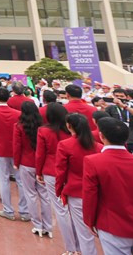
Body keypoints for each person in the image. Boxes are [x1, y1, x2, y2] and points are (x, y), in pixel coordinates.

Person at [83, 118, 133, 254]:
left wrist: (89, 221)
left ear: (101, 136)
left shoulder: (93, 162)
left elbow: (90, 195)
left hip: (112, 226)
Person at [56, 113, 103, 255]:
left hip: (77, 192)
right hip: (97, 192)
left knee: (84, 233)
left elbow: (60, 171)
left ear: (69, 126)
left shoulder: (65, 145)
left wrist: (59, 190)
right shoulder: (98, 146)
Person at [36, 102, 74, 252]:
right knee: (73, 210)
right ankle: (77, 246)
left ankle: (71, 248)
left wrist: (39, 172)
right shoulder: (71, 130)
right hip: (70, 171)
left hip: (51, 171)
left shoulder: (44, 131)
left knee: (60, 210)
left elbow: (40, 154)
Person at [0, 86, 28, 220]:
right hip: (16, 150)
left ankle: (8, 210)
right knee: (21, 181)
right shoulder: (18, 114)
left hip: (0, 150)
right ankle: (24, 211)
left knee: (3, 179)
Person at [13, 101, 53, 238]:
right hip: (41, 164)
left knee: (30, 194)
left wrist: (16, 163)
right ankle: (48, 226)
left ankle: (37, 225)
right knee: (45, 196)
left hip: (26, 163)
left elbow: (17, 146)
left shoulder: (19, 126)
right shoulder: (44, 127)